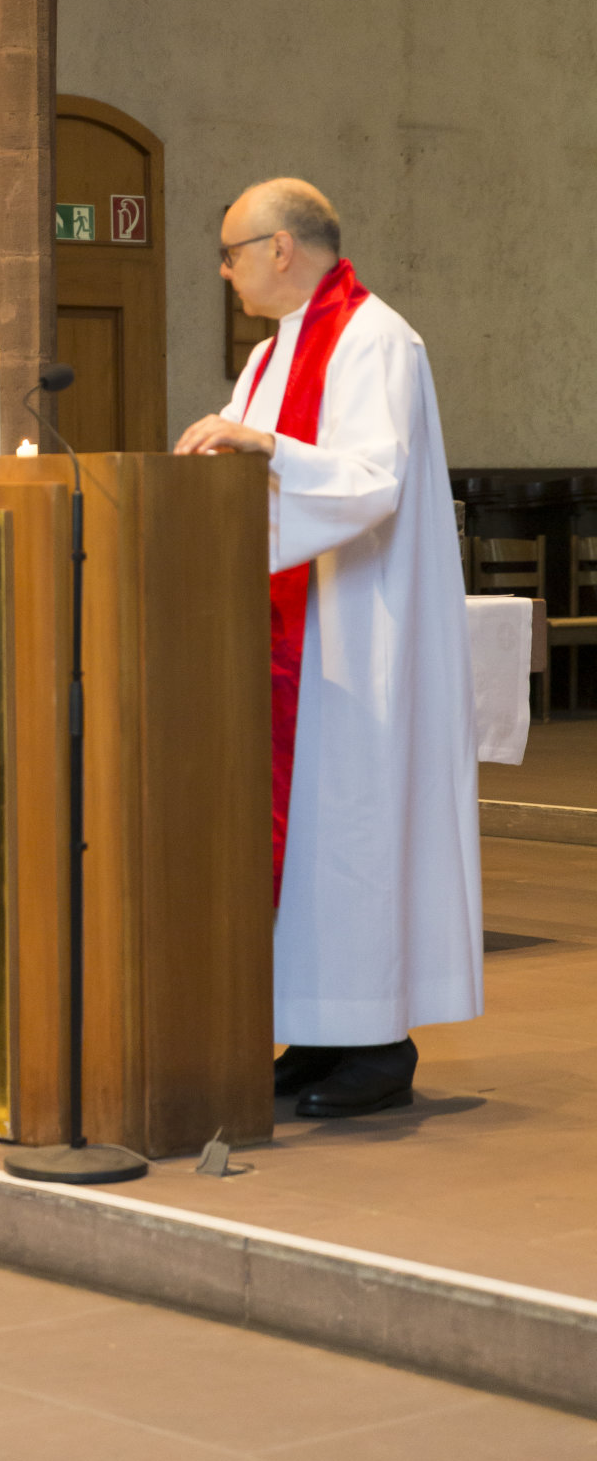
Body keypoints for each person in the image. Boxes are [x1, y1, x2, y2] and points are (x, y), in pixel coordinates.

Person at [175, 179, 482, 1118]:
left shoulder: (375, 337)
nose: (223, 272)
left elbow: (370, 481)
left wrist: (259, 445)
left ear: (279, 248)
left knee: (350, 838)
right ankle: (316, 1030)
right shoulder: (273, 356)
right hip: (280, 636)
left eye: (229, 253)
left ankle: (378, 1045)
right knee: (304, 844)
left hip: (355, 639)